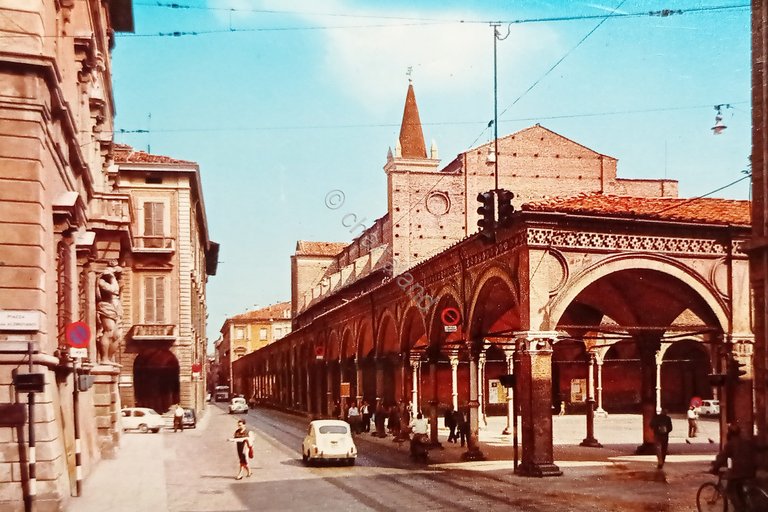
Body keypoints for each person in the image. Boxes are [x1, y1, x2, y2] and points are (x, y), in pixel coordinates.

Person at [710, 424, 757, 511]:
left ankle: (739, 509)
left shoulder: (730, 444)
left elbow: (722, 458)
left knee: (730, 490)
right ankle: (744, 505)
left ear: (729, 433)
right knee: (739, 488)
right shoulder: (746, 441)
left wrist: (715, 468)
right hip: (751, 470)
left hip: (739, 471)